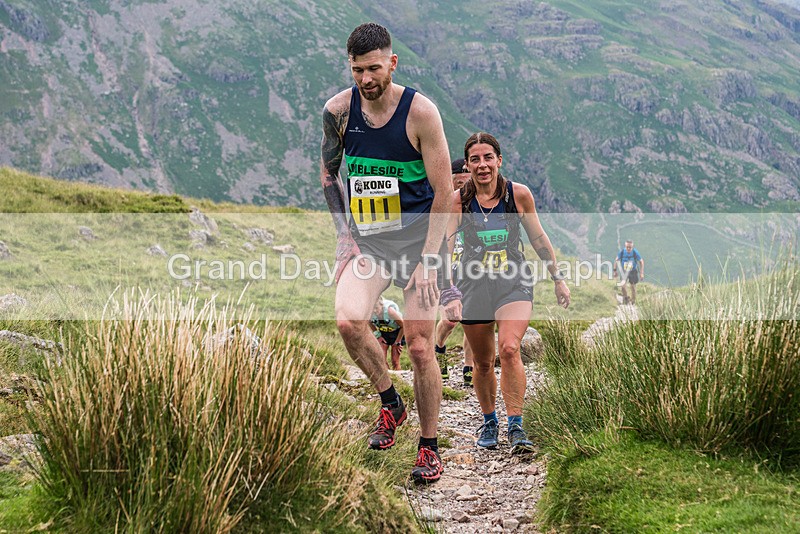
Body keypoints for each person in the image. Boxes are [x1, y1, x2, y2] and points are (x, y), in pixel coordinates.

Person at [320, 22, 452, 483]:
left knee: (418, 346)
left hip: (421, 244)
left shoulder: (421, 114)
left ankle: (430, 447)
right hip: (371, 245)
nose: (365, 79)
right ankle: (390, 403)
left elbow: (444, 194)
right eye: (357, 70)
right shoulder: (338, 111)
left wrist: (431, 260)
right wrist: (344, 237)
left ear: (392, 63)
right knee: (347, 320)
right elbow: (327, 177)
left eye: (374, 68)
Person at [442, 132, 570, 455]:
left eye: (488, 158)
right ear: (468, 165)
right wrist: (449, 291)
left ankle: (516, 425)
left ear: (499, 160)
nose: (482, 165)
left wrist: (558, 278)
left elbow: (539, 239)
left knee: (510, 349)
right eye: (475, 159)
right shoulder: (459, 201)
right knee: (483, 363)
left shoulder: (518, 196)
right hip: (473, 285)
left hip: (513, 282)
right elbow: (444, 248)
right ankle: (489, 421)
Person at [436, 158, 474, 386]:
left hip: (473, 270)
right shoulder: (443, 204)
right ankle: (439, 347)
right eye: (458, 184)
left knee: (473, 321)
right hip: (449, 270)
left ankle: (469, 367)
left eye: (466, 184)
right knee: (451, 321)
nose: (463, 189)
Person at [371, 296, 405, 371]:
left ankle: (398, 379)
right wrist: (378, 336)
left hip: (397, 333)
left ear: (381, 305)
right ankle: (389, 379)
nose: (375, 311)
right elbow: (369, 322)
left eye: (376, 308)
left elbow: (403, 326)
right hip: (383, 332)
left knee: (395, 361)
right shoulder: (370, 312)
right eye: (373, 309)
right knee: (381, 360)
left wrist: (398, 342)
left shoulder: (390, 311)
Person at [613, 240, 644, 304]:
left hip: (633, 271)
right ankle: (626, 298)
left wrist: (641, 273)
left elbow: (641, 261)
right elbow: (616, 260)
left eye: (630, 247)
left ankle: (633, 301)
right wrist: (615, 270)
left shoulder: (635, 252)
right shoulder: (622, 252)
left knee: (633, 287)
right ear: (625, 246)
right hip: (624, 271)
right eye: (627, 247)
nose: (628, 248)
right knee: (623, 286)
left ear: (632, 246)